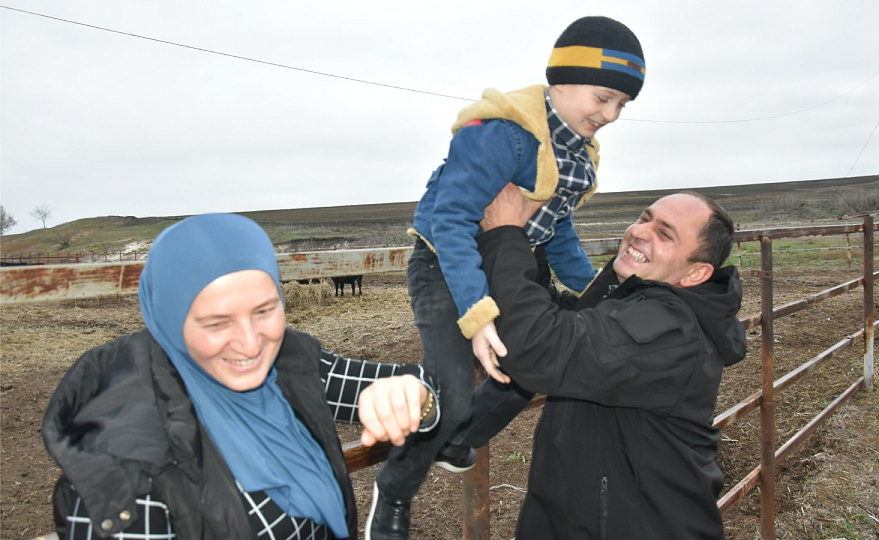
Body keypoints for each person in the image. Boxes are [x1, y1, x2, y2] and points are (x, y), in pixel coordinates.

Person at [368, 16, 646, 539]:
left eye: (621, 106)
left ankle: (457, 434)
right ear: (561, 80)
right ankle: (395, 489)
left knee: (542, 354)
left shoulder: (576, 152)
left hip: (511, 260)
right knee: (450, 390)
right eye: (604, 97)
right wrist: (476, 315)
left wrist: (595, 293)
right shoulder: (502, 134)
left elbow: (555, 227)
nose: (610, 115)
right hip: (447, 264)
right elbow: (450, 221)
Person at [41, 213, 440, 540]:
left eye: (265, 311)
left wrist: (415, 397)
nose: (251, 345)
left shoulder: (291, 361)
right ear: (169, 318)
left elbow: (432, 392)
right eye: (217, 323)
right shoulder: (125, 473)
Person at [474, 185, 747, 539]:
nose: (639, 231)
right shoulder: (634, 302)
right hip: (579, 517)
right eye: (644, 218)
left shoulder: (668, 332)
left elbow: (541, 348)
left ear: (694, 274)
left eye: (664, 234)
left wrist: (504, 234)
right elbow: (559, 320)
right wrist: (532, 237)